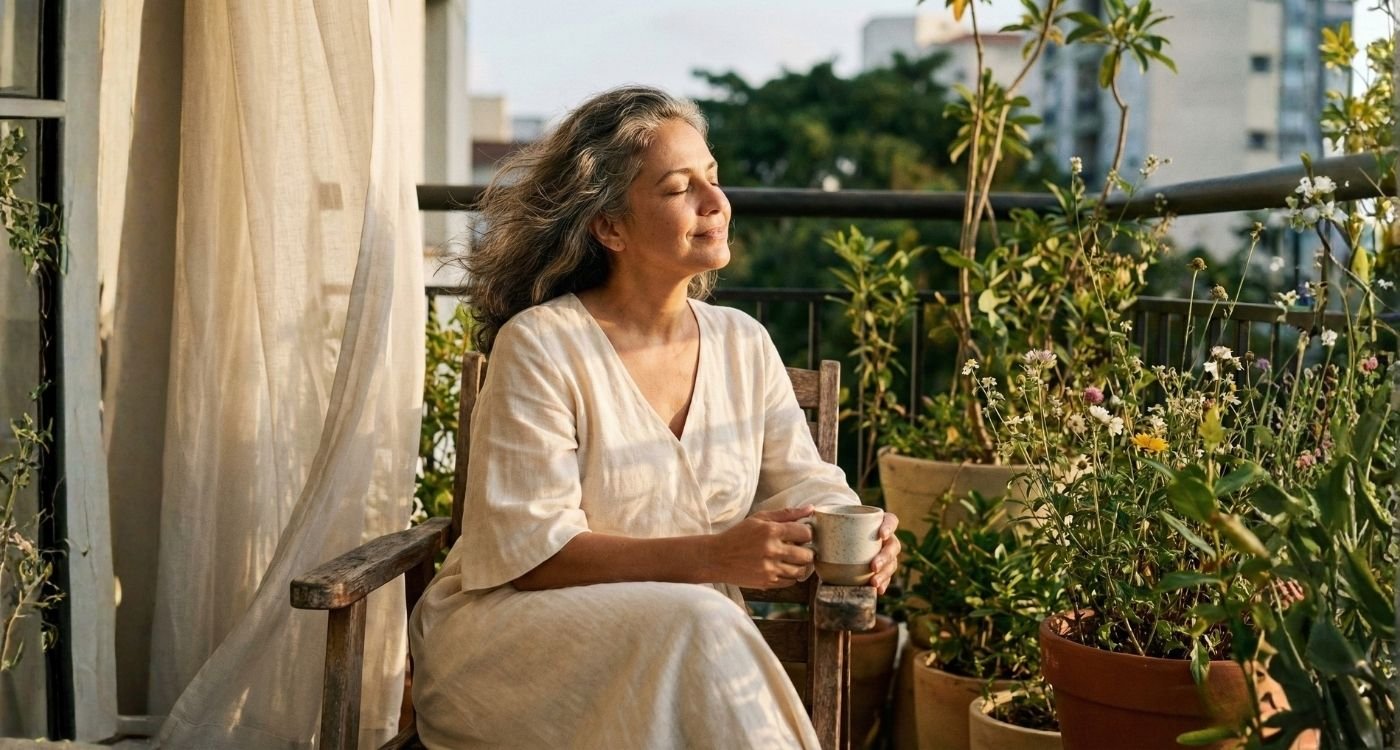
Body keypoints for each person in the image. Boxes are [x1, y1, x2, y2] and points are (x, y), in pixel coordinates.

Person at [408, 86, 900, 749]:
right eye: (678, 188)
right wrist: (716, 556)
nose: (717, 203)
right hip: (518, 645)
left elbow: (802, 484)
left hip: (680, 641)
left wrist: (857, 536)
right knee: (698, 619)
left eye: (714, 178)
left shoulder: (741, 343)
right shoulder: (541, 346)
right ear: (609, 226)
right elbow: (532, 559)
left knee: (696, 623)